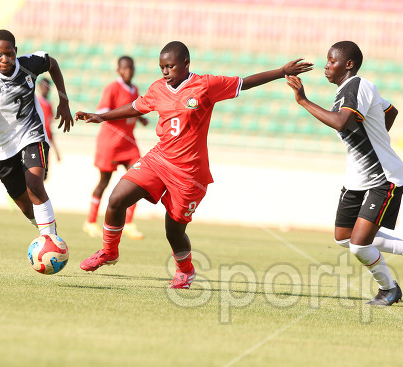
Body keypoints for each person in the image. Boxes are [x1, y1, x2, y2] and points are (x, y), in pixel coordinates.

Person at [75, 41, 313, 289]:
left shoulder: (206, 85)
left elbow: (245, 82)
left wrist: (281, 71)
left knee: (173, 231)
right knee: (116, 199)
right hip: (159, 160)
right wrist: (101, 116)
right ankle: (109, 251)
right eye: (161, 67)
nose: (165, 72)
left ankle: (185, 271)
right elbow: (136, 107)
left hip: (190, 174)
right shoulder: (158, 88)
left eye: (170, 66)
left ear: (186, 64)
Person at [286, 40, 403, 306]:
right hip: (357, 179)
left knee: (358, 245)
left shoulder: (356, 86)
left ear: (349, 64)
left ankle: (388, 289)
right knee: (343, 237)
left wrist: (303, 100)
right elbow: (391, 111)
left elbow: (341, 122)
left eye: (332, 61)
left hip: (383, 178)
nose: (326, 66)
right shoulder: (353, 90)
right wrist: (375, 138)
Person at [0, 29, 73, 237]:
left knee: (35, 186)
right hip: (1, 146)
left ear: (16, 51)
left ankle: (51, 240)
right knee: (25, 206)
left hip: (32, 134)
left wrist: (63, 100)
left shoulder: (29, 64)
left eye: (9, 54)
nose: (5, 59)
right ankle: (46, 231)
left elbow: (53, 64)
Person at [83, 56, 149, 240]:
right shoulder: (112, 88)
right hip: (111, 143)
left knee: (140, 178)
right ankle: (90, 221)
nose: (128, 71)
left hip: (128, 143)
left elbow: (134, 109)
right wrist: (122, 112)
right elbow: (103, 110)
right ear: (118, 70)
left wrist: (140, 118)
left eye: (131, 68)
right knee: (104, 182)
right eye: (124, 68)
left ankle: (128, 223)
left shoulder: (135, 89)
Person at [37, 77, 61, 170]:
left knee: (44, 173)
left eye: (47, 86)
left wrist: (56, 150)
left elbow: (49, 127)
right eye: (43, 86)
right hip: (37, 141)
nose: (45, 88)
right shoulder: (36, 102)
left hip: (46, 142)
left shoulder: (49, 105)